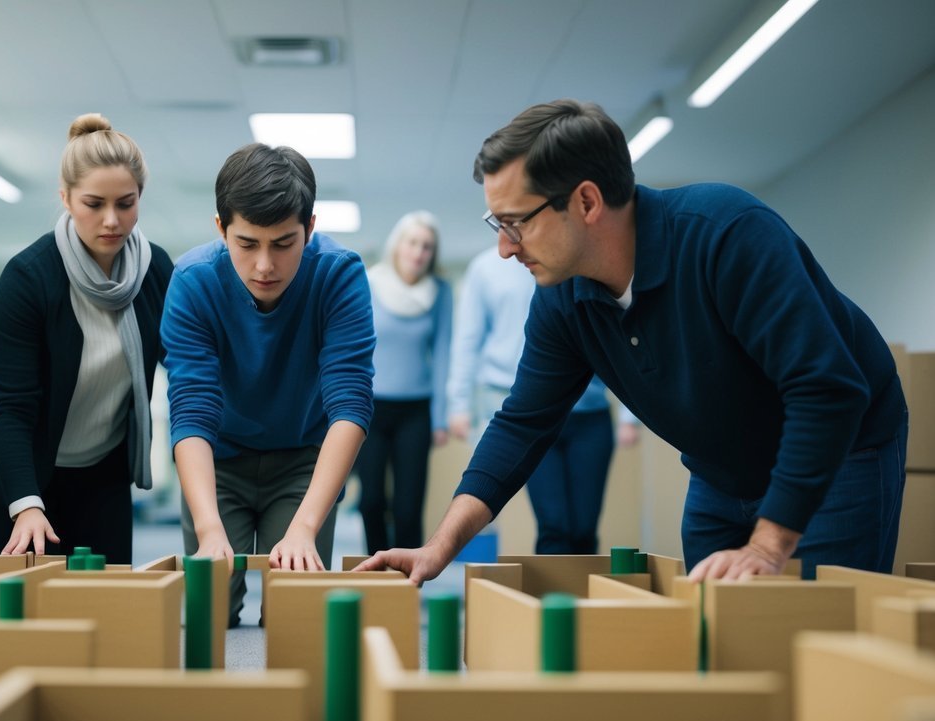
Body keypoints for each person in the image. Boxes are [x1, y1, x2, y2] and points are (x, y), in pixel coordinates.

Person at [358, 99, 906, 584]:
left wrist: (767, 545)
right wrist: (441, 547)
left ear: (587, 202)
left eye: (514, 223)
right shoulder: (562, 298)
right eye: (494, 224)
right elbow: (523, 422)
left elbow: (827, 388)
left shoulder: (727, 234)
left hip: (839, 451)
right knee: (723, 647)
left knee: (820, 644)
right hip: (722, 469)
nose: (504, 248)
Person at [163, 143, 375, 624]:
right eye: (247, 243)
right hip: (218, 463)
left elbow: (350, 405)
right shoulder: (193, 280)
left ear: (310, 229)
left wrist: (304, 526)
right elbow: (191, 410)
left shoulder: (339, 274)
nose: (265, 265)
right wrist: (208, 527)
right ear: (221, 229)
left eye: (283, 244)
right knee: (209, 611)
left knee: (294, 614)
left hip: (303, 460)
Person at [0, 114, 172, 565]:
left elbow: (187, 364)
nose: (112, 220)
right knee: (25, 620)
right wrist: (25, 504)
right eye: (94, 203)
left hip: (102, 472)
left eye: (126, 203)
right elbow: (11, 406)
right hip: (19, 473)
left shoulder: (155, 270)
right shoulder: (29, 278)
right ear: (65, 198)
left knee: (106, 608)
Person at [448, 247, 640, 555]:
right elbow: (468, 340)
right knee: (555, 525)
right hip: (532, 415)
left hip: (590, 416)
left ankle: (583, 601)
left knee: (584, 527)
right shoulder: (484, 268)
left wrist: (630, 416)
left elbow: (620, 338)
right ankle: (554, 604)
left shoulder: (574, 261)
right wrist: (458, 404)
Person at [354, 211, 452, 554]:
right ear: (398, 246)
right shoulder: (369, 283)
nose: (419, 252)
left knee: (409, 506)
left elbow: (442, 356)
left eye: (427, 246)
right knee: (370, 501)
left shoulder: (440, 293)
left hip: (416, 411)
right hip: (370, 409)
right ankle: (377, 571)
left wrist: (440, 418)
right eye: (413, 243)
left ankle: (409, 582)